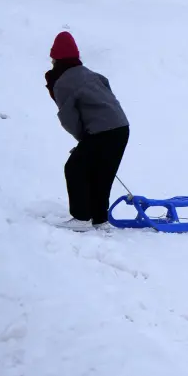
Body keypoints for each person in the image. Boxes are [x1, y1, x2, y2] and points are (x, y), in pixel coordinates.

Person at [44, 31, 131, 231]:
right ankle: (100, 220)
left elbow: (68, 117)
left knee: (74, 168)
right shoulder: (91, 74)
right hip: (121, 128)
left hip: (101, 131)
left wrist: (83, 138)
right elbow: (107, 92)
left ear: (56, 58)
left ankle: (81, 217)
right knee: (103, 173)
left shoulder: (63, 81)